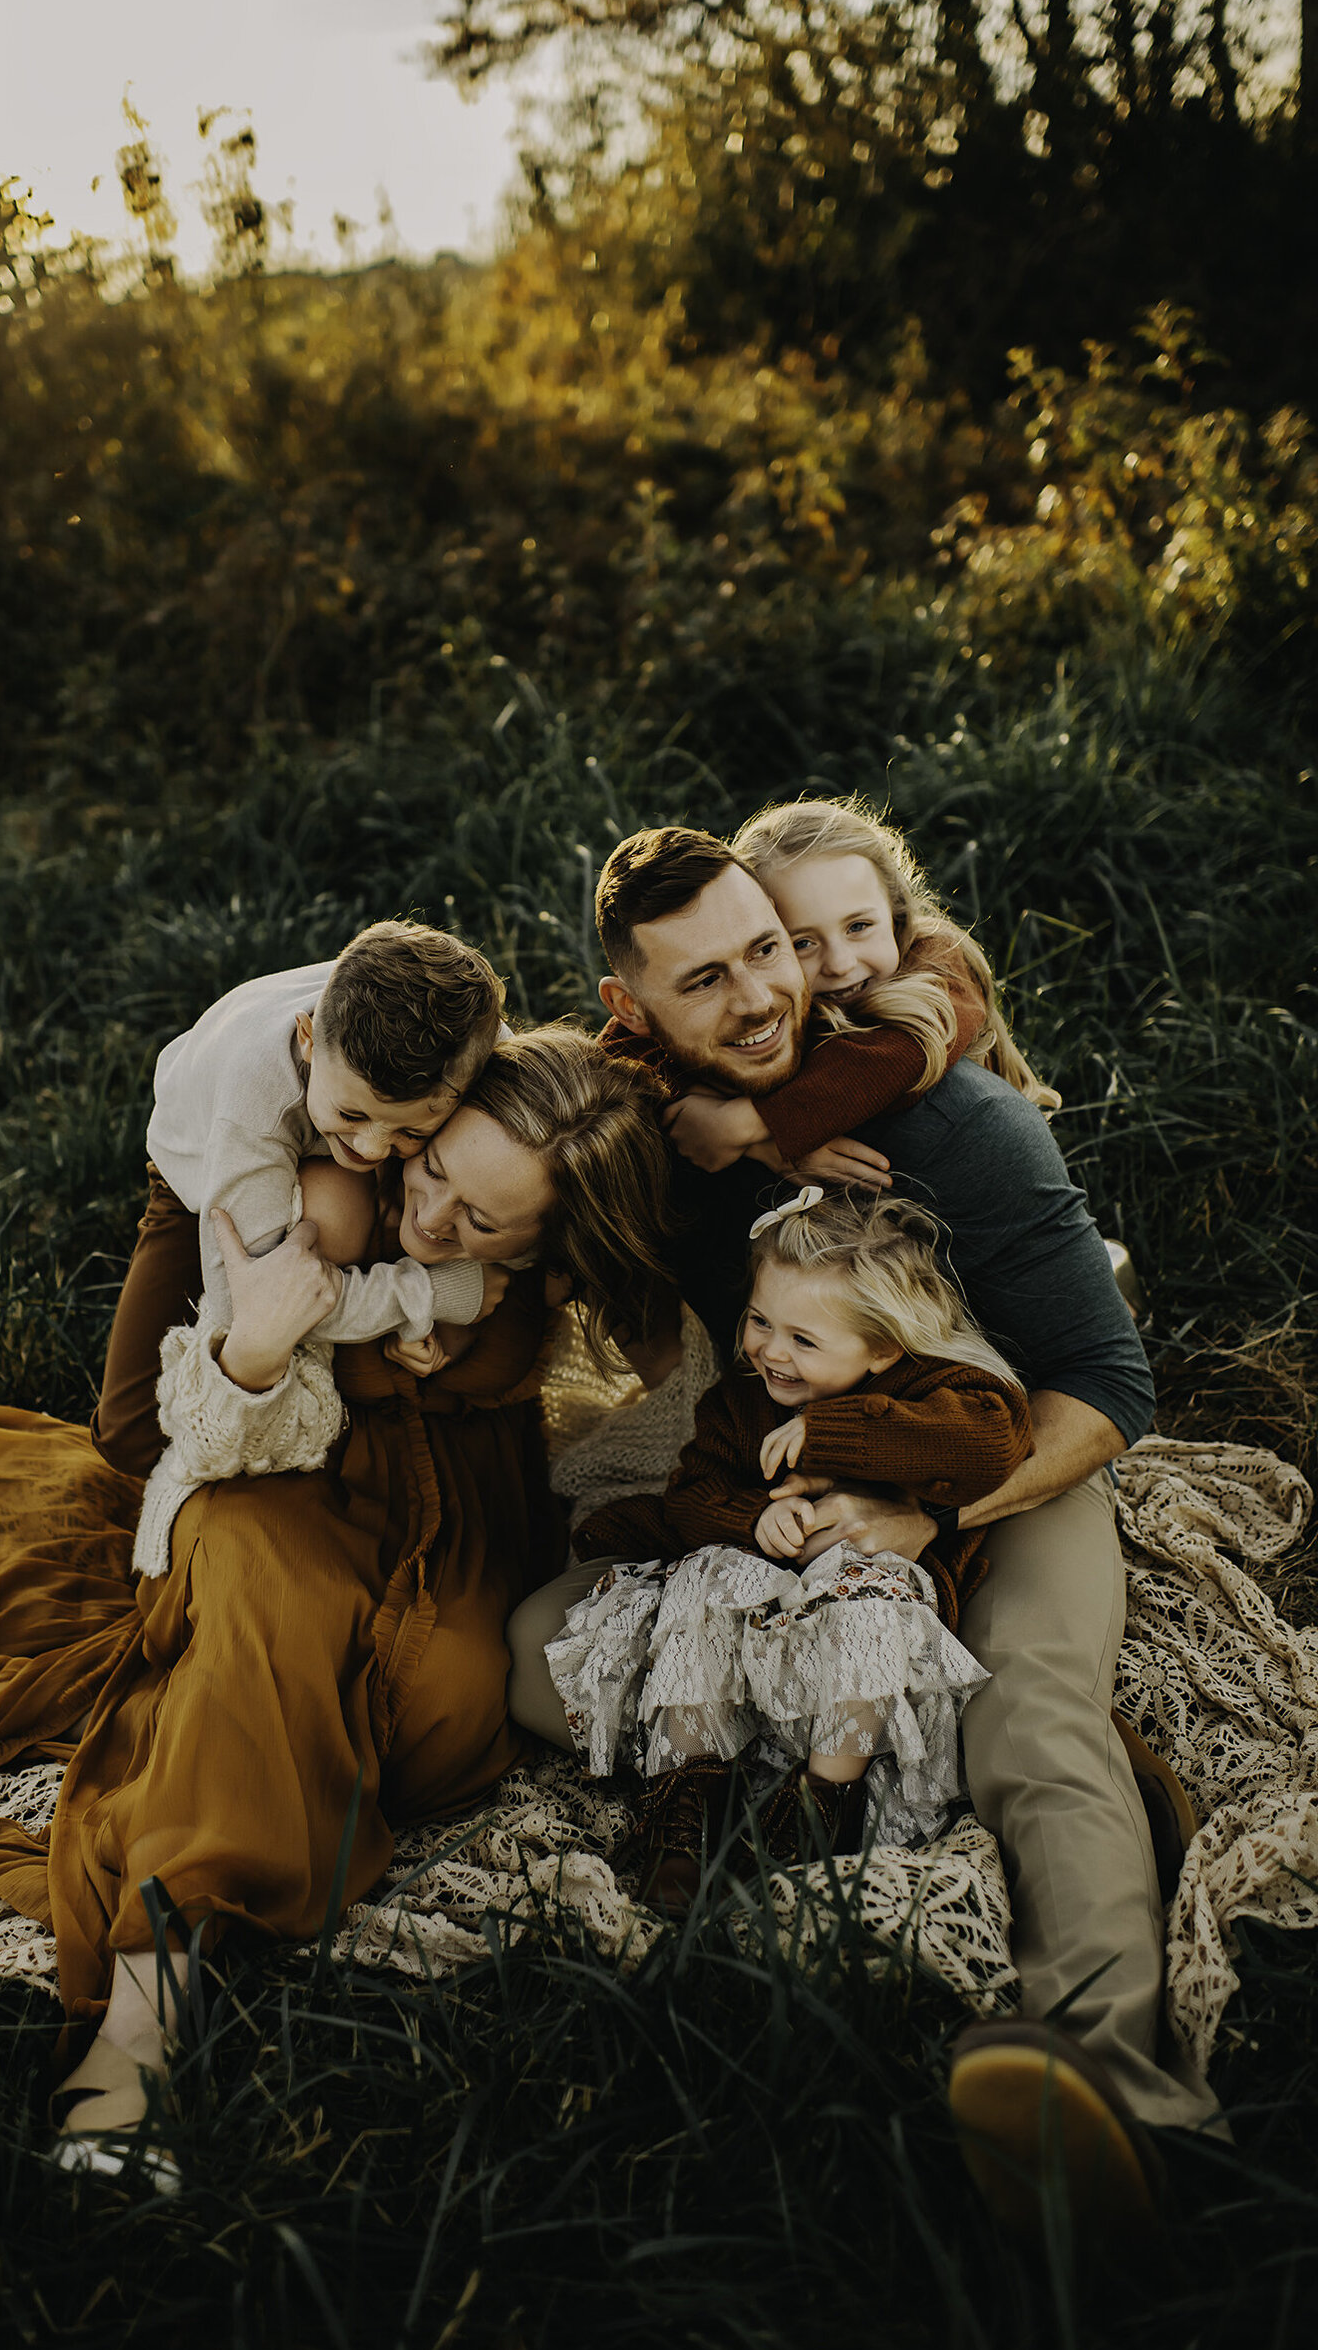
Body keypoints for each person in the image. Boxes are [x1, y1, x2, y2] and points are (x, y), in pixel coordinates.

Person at [0, 1027, 672, 2181]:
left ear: (550, 1246)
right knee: (266, 1617)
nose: (429, 1220)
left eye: (479, 1221)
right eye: (430, 1177)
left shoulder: (548, 1262)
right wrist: (263, 1350)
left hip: (453, 1520)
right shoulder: (329, 1188)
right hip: (263, 1474)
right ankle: (138, 2029)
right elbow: (181, 1434)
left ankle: (229, 1735)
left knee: (439, 1724)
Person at [508, 823, 1217, 2239]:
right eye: (707, 979)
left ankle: (1114, 2086)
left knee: (1034, 1722)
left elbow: (1110, 1386)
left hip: (1005, 1460)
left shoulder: (966, 1129)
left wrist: (929, 1512)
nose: (763, 998)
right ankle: (828, 1759)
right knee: (536, 1652)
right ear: (633, 1012)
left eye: (769, 951)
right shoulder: (666, 1140)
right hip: (784, 1479)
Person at [537, 1186, 1032, 1907]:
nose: (771, 1351)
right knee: (702, 1577)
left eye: (804, 1340)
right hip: (757, 1628)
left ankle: (818, 1805)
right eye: (761, 1322)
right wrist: (748, 1521)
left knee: (871, 1584)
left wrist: (831, 1432)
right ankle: (686, 1806)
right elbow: (689, 1495)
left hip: (855, 1639)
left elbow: (993, 1442)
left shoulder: (932, 1389)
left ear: (882, 1346)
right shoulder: (741, 1402)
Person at [91, 918, 510, 1483]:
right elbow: (253, 1309)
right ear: (309, 1039)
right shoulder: (252, 1109)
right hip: (203, 1168)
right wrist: (429, 1290)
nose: (371, 1147)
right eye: (353, 1114)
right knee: (132, 1436)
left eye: (412, 1130)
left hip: (315, 1141)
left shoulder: (481, 1053)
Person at [662, 796, 1059, 1180]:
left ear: (895, 912)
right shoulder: (760, 1004)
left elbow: (895, 1061)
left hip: (982, 1177)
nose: (840, 964)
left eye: (858, 927)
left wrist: (747, 1125)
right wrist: (728, 1129)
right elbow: (633, 1051)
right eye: (803, 943)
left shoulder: (941, 965)